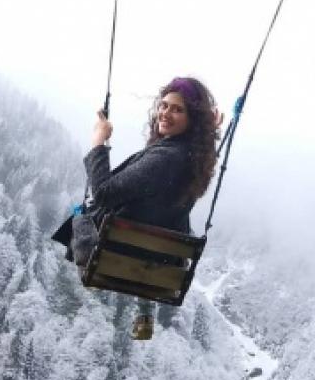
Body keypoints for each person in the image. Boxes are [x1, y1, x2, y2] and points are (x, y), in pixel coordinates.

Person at [84, 76, 221, 340]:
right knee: (164, 215)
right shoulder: (195, 155)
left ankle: (143, 307)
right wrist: (208, 131)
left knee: (81, 216)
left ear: (193, 119)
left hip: (120, 249)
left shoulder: (166, 158)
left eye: (178, 109)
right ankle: (145, 309)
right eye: (164, 105)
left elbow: (102, 193)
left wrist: (99, 142)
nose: (166, 113)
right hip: (159, 258)